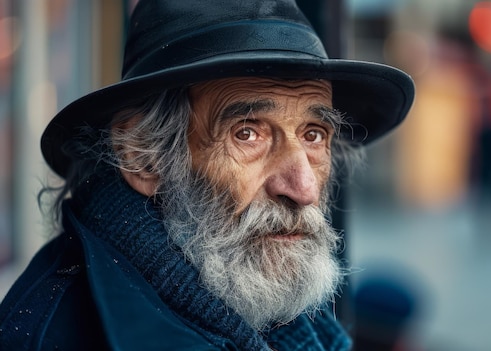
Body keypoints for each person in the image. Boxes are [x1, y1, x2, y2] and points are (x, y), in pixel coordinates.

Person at [0, 0, 414, 350]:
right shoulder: (53, 334)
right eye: (247, 133)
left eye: (313, 134)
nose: (302, 187)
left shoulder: (273, 306)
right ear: (143, 159)